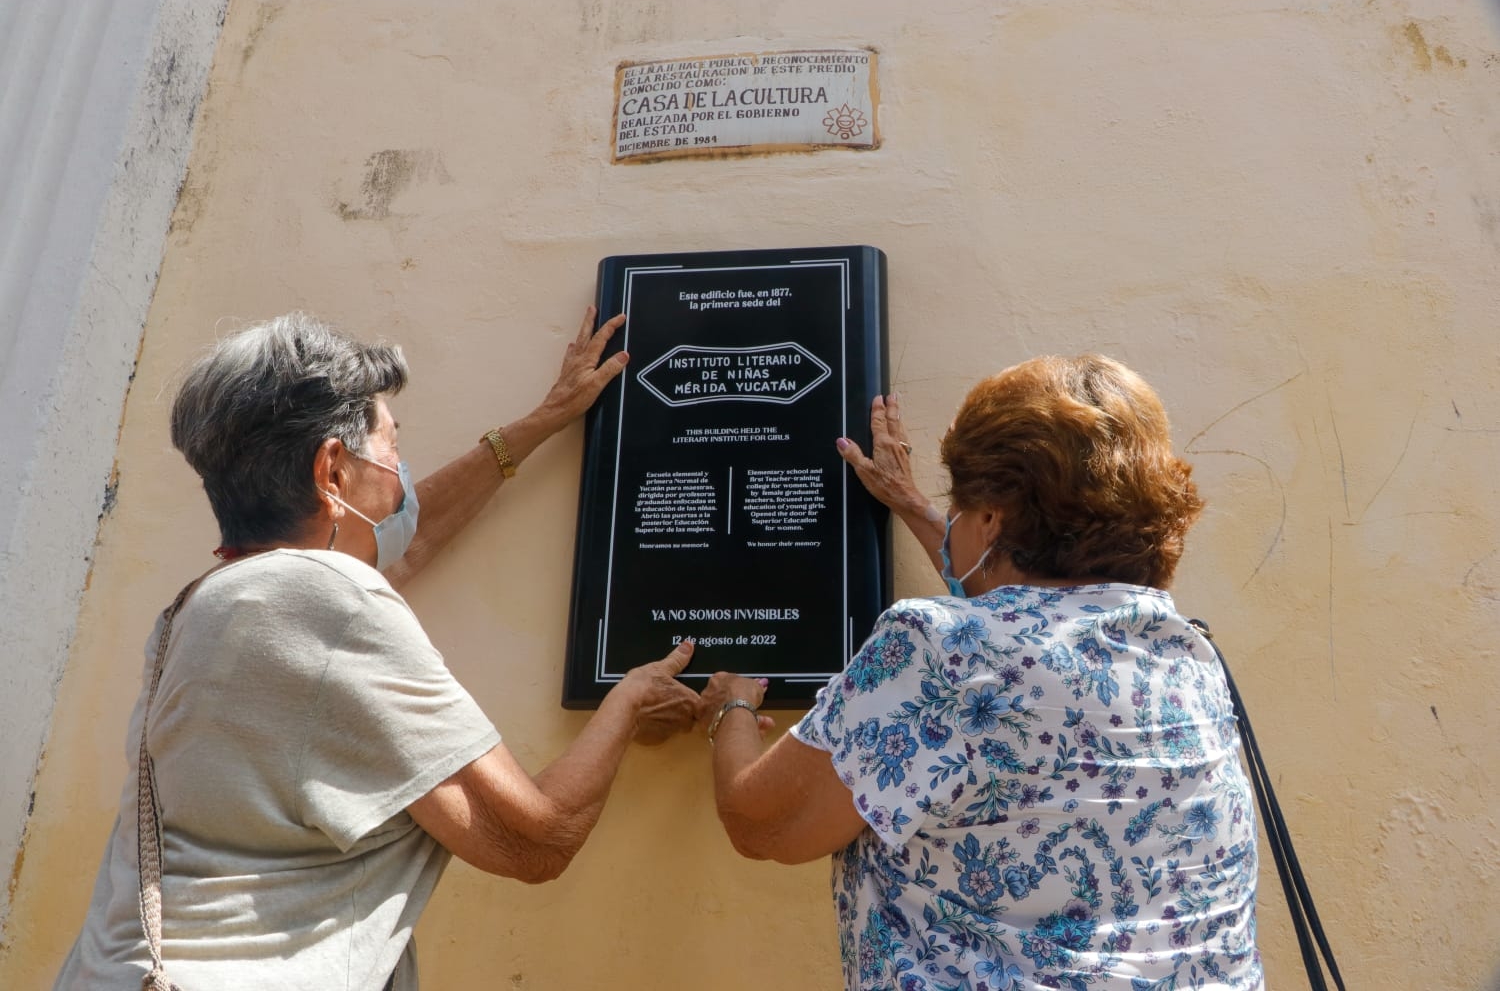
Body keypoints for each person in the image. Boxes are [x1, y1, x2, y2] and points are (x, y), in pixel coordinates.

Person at [55, 308, 702, 991]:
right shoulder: (332, 602)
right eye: (392, 445)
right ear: (332, 469)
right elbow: (533, 840)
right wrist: (628, 701)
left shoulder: (209, 604)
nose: (401, 472)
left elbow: (410, 539)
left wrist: (542, 421)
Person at [700, 355, 1262, 990]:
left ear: (991, 518)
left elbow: (764, 823)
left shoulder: (938, 649)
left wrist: (732, 706)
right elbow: (1031, 634)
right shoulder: (1183, 649)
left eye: (959, 508)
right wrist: (915, 508)